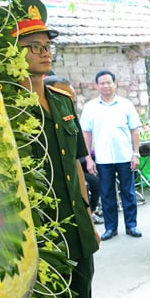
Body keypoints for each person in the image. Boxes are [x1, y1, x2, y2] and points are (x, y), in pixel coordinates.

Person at [15, 0, 110, 298]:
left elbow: (74, 161)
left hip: (73, 224)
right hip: (35, 232)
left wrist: (88, 215)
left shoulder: (62, 100)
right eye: (32, 45)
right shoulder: (10, 109)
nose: (43, 51)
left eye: (46, 44)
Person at [81, 70, 142, 240]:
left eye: (109, 82)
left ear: (114, 84)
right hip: (103, 158)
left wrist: (135, 154)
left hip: (124, 156)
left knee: (128, 192)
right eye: (102, 83)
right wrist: (88, 158)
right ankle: (110, 228)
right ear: (97, 85)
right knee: (107, 194)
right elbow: (86, 134)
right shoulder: (90, 107)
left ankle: (131, 225)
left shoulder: (126, 104)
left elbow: (134, 130)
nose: (106, 86)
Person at [45, 74, 103, 223]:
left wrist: (88, 217)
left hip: (75, 186)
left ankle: (93, 211)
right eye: (62, 97)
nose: (67, 103)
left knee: (94, 183)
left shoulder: (71, 120)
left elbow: (77, 160)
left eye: (72, 100)